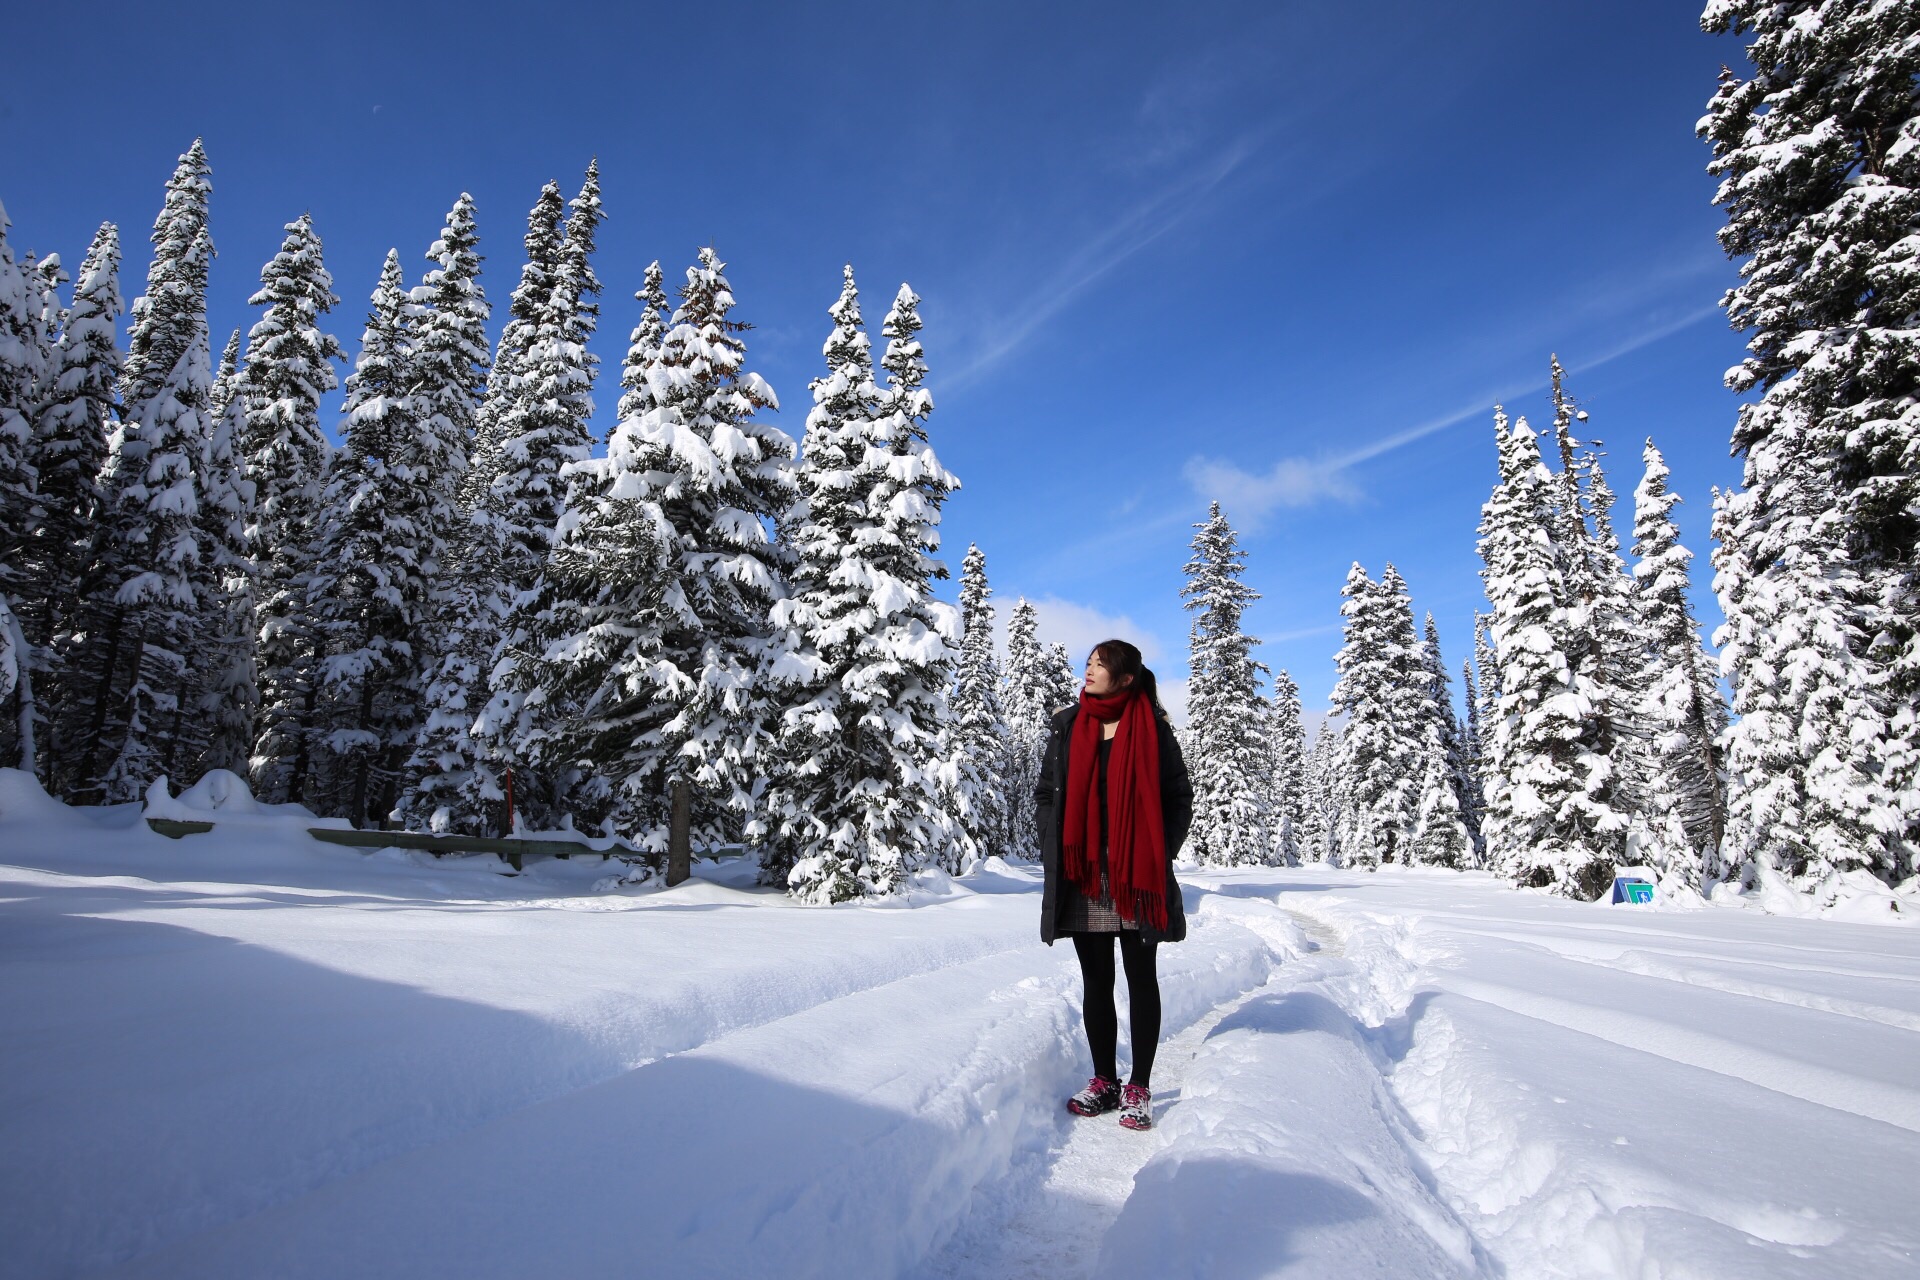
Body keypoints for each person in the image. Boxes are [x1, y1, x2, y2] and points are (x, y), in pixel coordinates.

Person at [1034, 638, 1193, 1131]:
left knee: (1140, 976)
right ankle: (1104, 1080)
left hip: (1135, 876)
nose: (1089, 671)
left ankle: (1139, 1085)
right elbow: (1045, 794)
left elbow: (1178, 797)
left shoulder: (1152, 728)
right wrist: (1053, 847)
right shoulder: (1068, 726)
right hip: (1083, 873)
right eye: (1088, 663)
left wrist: (1155, 852)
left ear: (1125, 678)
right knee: (1096, 980)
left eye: (1099, 666)